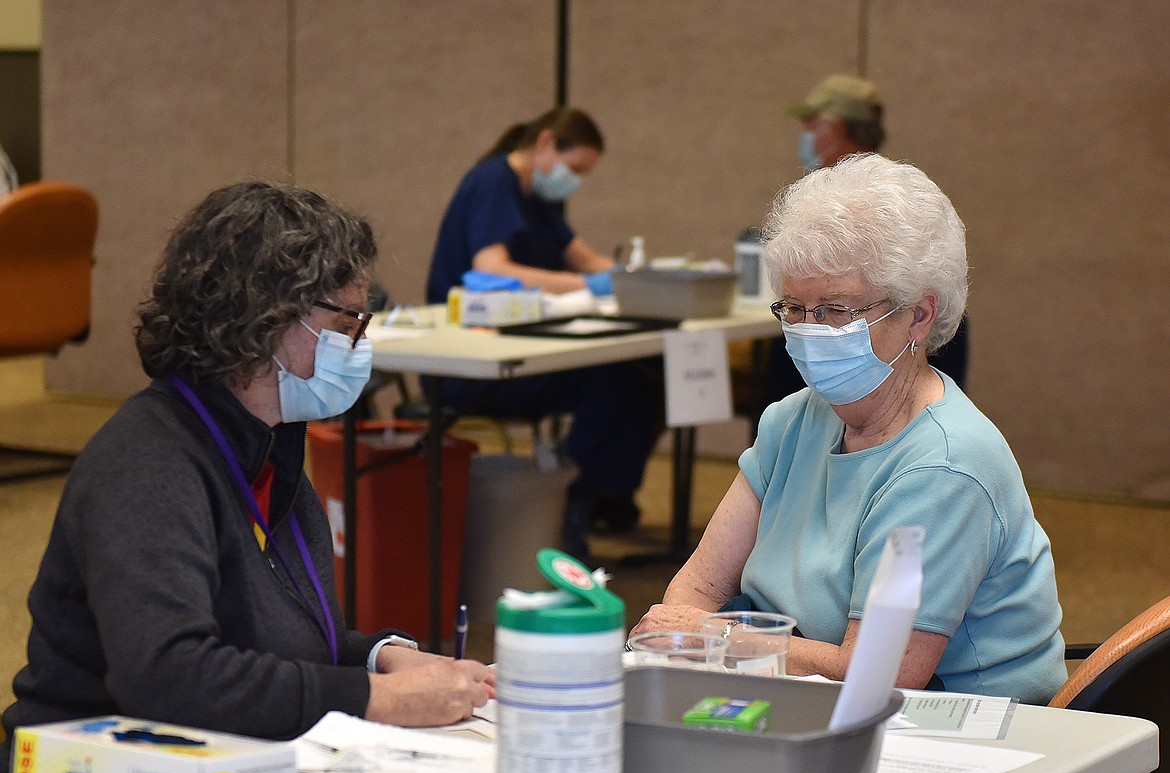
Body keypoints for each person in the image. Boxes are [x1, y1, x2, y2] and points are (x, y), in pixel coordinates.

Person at [2, 181, 494, 773]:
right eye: (349, 322)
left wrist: (379, 658)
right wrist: (375, 698)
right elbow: (170, 678)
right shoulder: (147, 466)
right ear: (267, 318)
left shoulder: (268, 444)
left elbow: (281, 636)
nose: (362, 345)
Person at [631, 154, 1066, 704]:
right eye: (794, 308)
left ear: (919, 315)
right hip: (806, 693)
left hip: (956, 722)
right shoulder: (791, 420)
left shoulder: (945, 465)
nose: (809, 332)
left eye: (836, 310)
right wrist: (694, 639)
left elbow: (880, 672)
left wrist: (716, 638)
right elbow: (697, 589)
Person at [425, 106, 663, 557]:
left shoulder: (537, 197)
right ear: (546, 143)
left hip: (522, 349)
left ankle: (592, 492)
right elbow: (491, 266)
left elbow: (587, 259)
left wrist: (640, 278)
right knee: (621, 379)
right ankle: (574, 496)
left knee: (643, 373)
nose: (575, 181)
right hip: (470, 363)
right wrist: (588, 285)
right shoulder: (493, 182)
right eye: (574, 169)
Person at [760, 74, 968, 404]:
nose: (806, 138)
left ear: (837, 128)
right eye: (795, 308)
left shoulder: (901, 205)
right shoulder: (788, 421)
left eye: (812, 126)